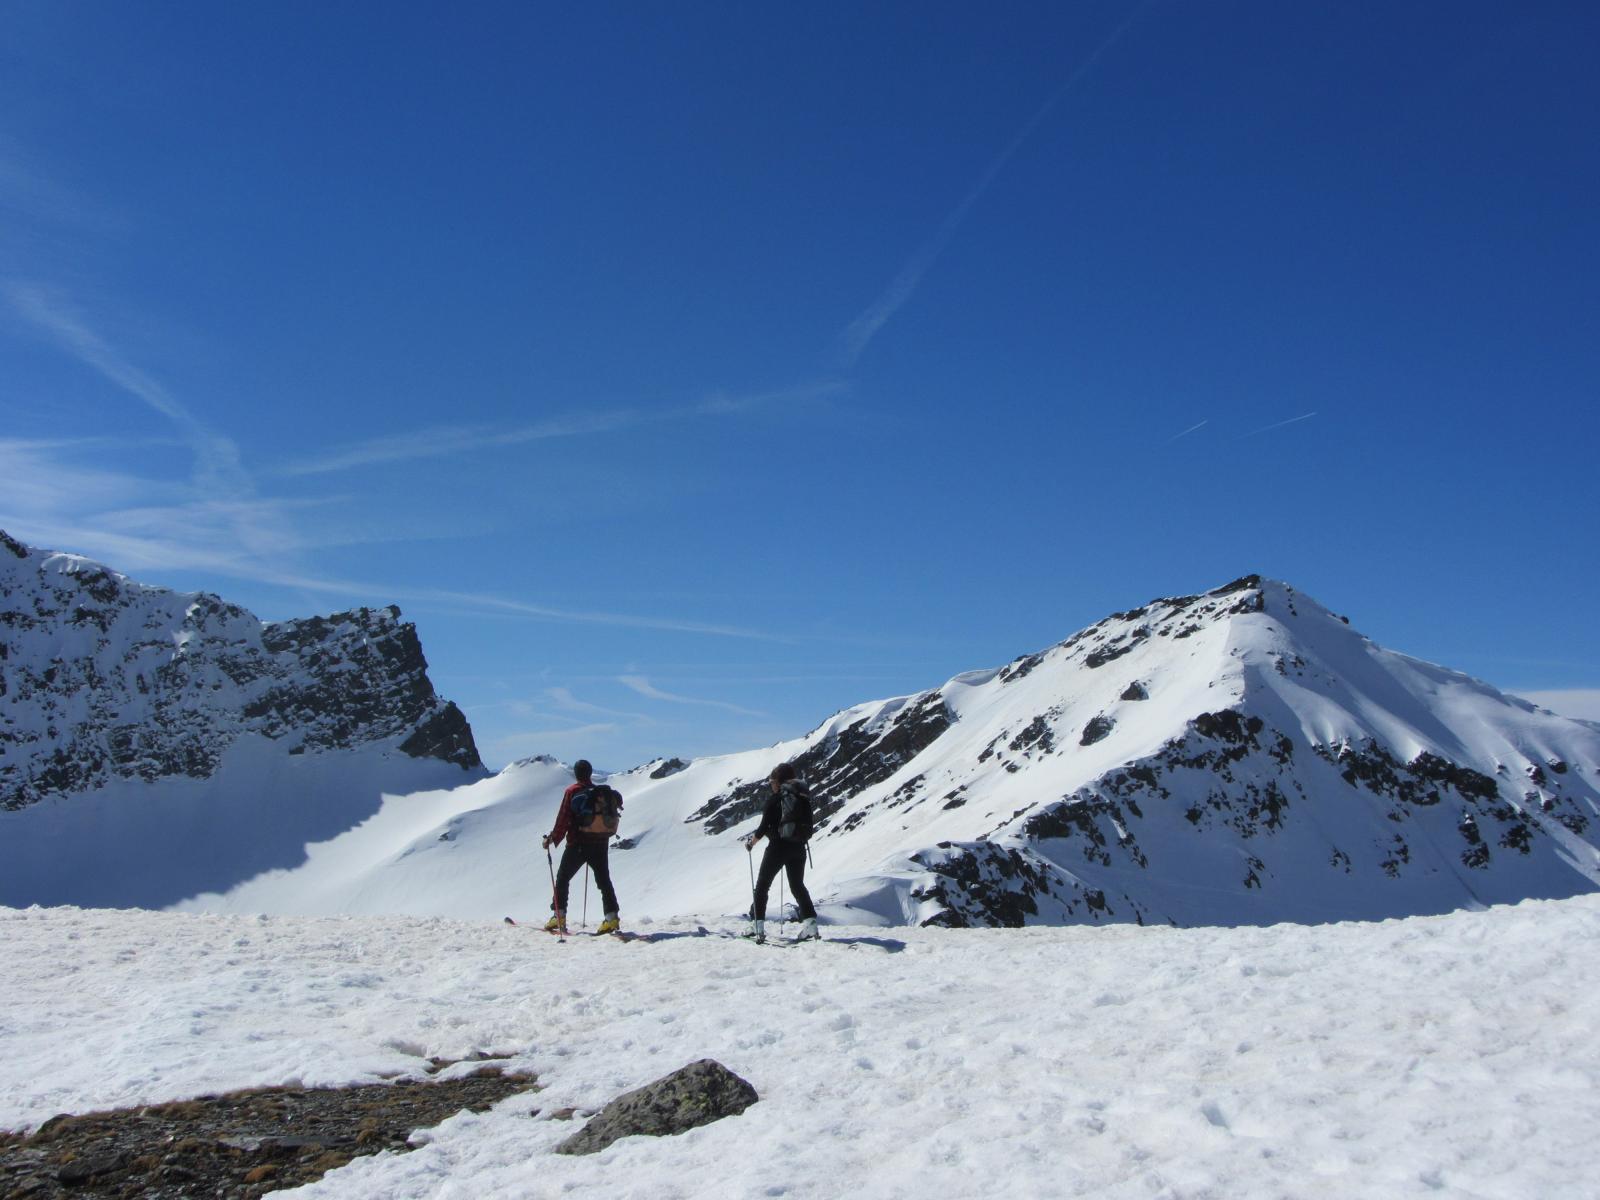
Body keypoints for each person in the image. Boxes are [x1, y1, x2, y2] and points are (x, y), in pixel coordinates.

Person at [542, 759, 621, 934]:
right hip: (600, 843)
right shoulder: (600, 793)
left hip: (577, 843)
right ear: (590, 773)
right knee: (604, 881)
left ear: (576, 774)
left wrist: (552, 839)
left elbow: (563, 819)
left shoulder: (573, 791)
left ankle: (559, 915)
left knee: (563, 878)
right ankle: (611, 918)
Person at [741, 762, 818, 942]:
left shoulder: (775, 800)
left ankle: (757, 925)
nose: (771, 784)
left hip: (777, 848)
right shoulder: (802, 797)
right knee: (797, 885)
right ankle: (811, 925)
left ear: (777, 781)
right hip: (799, 846)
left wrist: (751, 843)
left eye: (771, 781)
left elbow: (763, 827)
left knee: (762, 886)